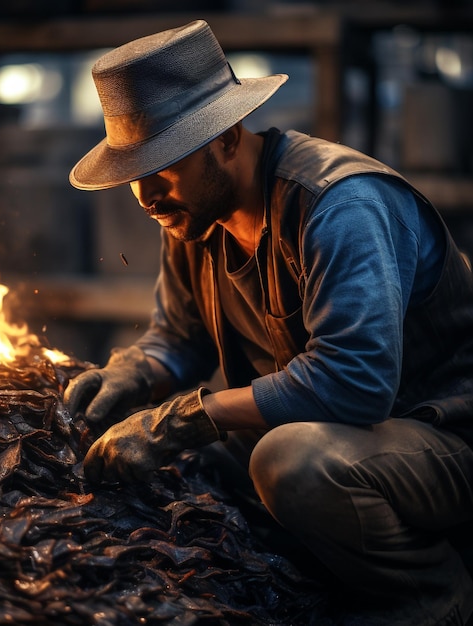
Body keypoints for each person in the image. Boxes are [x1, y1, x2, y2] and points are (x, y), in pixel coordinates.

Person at [63, 19, 473, 625]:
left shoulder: (340, 206)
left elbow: (352, 383)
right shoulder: (195, 215)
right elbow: (177, 338)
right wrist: (134, 372)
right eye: (134, 177)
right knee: (191, 469)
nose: (146, 197)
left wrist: (183, 418)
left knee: (290, 462)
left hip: (440, 437)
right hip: (347, 436)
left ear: (226, 138)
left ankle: (429, 598)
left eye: (162, 169)